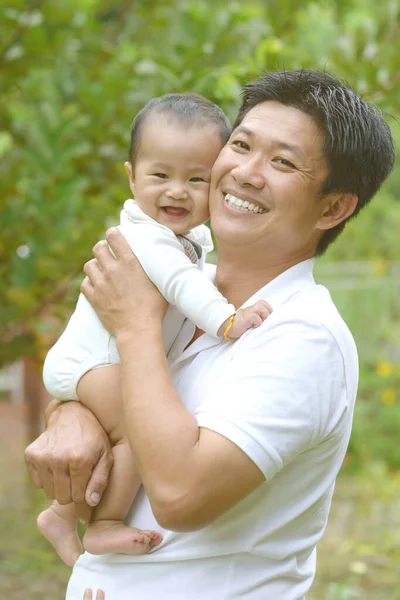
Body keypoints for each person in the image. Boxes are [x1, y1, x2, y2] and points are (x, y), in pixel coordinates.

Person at [25, 69, 395, 600]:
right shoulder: (179, 283)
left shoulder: (304, 337)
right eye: (240, 145)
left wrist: (135, 327)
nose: (245, 172)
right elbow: (95, 371)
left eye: (282, 161)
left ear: (333, 206)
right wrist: (71, 416)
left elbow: (179, 495)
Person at [37, 93, 272, 566]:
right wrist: (228, 320)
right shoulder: (148, 238)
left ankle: (62, 514)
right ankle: (102, 523)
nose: (177, 191)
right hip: (93, 363)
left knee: (122, 428)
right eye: (160, 175)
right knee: (135, 432)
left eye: (196, 179)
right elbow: (182, 284)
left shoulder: (187, 241)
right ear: (131, 176)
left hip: (97, 362)